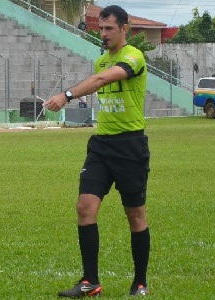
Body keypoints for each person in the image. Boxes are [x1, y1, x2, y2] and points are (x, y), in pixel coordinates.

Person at [44, 5, 150, 298]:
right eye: (100, 29)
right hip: (101, 145)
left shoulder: (134, 57)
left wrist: (66, 95)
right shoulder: (101, 61)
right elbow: (98, 79)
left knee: (135, 214)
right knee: (84, 208)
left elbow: (103, 81)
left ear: (124, 29)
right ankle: (90, 281)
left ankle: (140, 282)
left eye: (109, 29)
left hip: (130, 145)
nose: (103, 34)